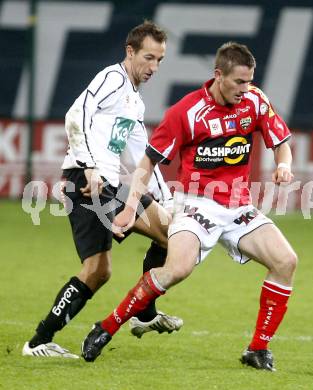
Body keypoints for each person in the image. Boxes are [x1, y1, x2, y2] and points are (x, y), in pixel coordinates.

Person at [81, 41, 298, 371]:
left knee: (286, 261)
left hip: (239, 207)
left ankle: (257, 349)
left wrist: (284, 165)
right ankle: (107, 326)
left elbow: (281, 142)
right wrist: (129, 208)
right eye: (239, 81)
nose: (246, 89)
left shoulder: (254, 101)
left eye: (250, 81)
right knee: (176, 270)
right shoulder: (187, 111)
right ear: (218, 75)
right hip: (197, 204)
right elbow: (148, 162)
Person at [22, 21, 182, 359]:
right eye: (149, 58)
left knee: (170, 232)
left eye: (160, 61)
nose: (153, 67)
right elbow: (74, 114)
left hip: (110, 185)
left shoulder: (134, 102)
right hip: (85, 182)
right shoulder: (112, 78)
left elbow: (144, 157)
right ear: (130, 52)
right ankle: (38, 342)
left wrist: (167, 198)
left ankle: (144, 313)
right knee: (98, 271)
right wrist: (90, 165)